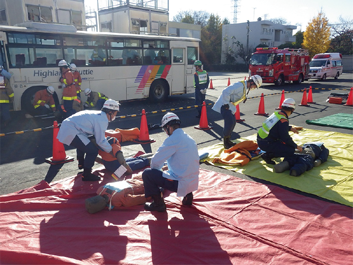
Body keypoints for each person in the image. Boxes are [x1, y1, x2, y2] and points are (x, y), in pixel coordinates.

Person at [142, 112, 200, 212]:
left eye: (165, 129)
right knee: (181, 172)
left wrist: (157, 175)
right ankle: (188, 195)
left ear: (169, 127)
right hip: (193, 182)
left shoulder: (172, 139)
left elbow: (155, 162)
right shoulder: (189, 138)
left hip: (181, 182)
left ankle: (158, 204)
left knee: (148, 174)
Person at [57, 99, 120, 181]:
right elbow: (100, 141)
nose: (115, 115)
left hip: (69, 127)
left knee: (84, 145)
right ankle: (86, 175)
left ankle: (81, 165)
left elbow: (94, 136)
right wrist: (112, 152)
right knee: (92, 150)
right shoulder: (102, 119)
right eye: (115, 113)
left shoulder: (97, 114)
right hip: (71, 130)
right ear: (110, 112)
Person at [212, 75, 262, 149]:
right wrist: (225, 103)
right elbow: (226, 91)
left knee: (233, 122)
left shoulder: (245, 87)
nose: (253, 88)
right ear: (252, 82)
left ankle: (228, 140)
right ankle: (226, 143)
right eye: (254, 86)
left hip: (229, 106)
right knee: (229, 122)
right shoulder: (239, 85)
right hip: (224, 105)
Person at [257, 98, 303, 165]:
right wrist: (296, 146)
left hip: (261, 140)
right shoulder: (283, 120)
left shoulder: (276, 114)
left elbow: (276, 126)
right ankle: (267, 155)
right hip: (266, 143)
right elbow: (285, 137)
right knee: (290, 150)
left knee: (284, 144)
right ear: (292, 110)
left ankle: (271, 152)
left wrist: (290, 128)